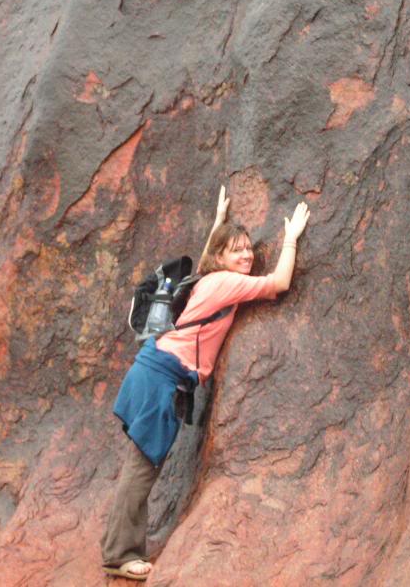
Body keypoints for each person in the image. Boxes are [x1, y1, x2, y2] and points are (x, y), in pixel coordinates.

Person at [101, 186, 310, 581]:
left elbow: (205, 257)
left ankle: (119, 548)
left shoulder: (209, 278)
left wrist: (218, 221)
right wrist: (292, 239)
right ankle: (119, 555)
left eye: (248, 248)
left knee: (141, 463)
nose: (247, 256)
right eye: (237, 250)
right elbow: (280, 283)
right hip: (161, 377)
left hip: (153, 371)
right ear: (221, 258)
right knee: (142, 466)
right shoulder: (225, 283)